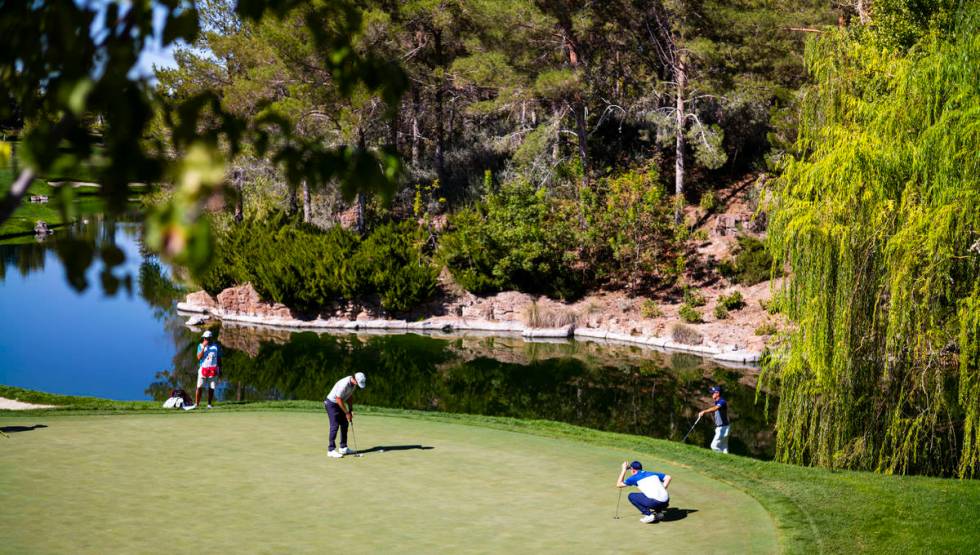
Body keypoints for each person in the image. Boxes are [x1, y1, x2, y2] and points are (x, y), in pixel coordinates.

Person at [324, 372, 366, 458]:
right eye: (358, 383)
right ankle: (331, 450)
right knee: (334, 426)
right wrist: (346, 413)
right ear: (354, 379)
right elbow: (338, 398)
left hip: (339, 403)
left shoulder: (353, 384)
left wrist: (350, 410)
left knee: (344, 424)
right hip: (332, 403)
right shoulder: (344, 384)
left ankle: (343, 448)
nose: (358, 385)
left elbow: (349, 397)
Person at [190, 330, 221, 410]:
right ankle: (197, 404)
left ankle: (209, 404)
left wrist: (220, 369)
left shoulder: (216, 346)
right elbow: (198, 357)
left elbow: (219, 358)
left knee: (212, 387)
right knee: (199, 387)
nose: (205, 340)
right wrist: (204, 348)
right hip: (203, 369)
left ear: (211, 338)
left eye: (207, 338)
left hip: (213, 369)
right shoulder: (200, 346)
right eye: (204, 338)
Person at [698, 385, 730, 453]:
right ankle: (725, 461)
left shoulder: (722, 401)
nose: (711, 394)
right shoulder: (717, 401)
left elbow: (715, 408)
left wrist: (704, 411)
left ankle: (722, 458)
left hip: (723, 428)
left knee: (714, 446)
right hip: (722, 427)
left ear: (718, 393)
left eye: (713, 393)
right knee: (724, 449)